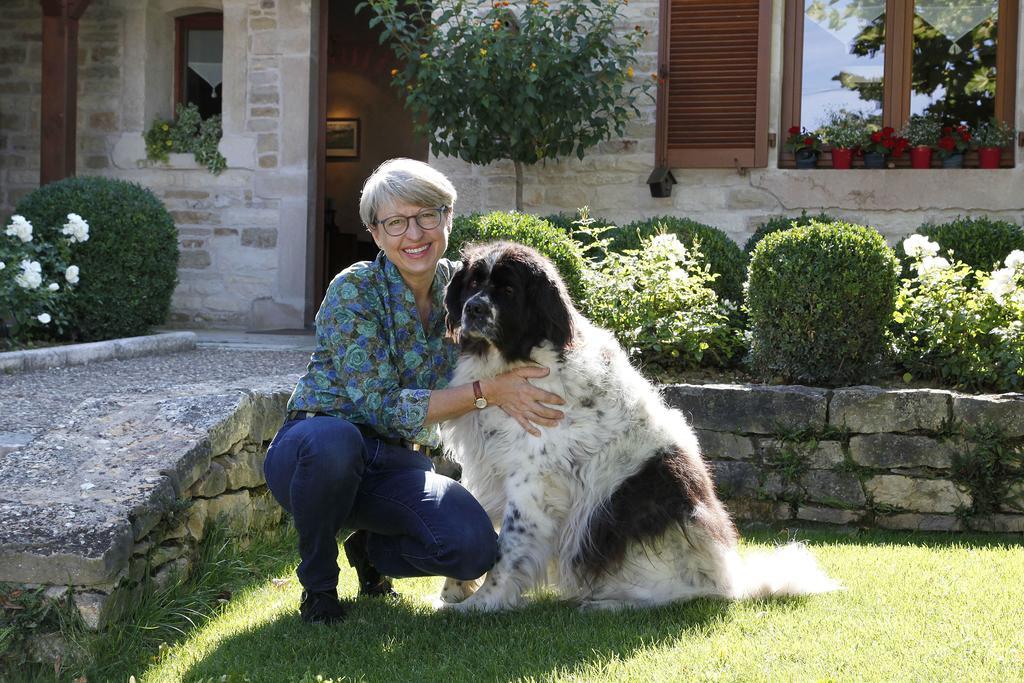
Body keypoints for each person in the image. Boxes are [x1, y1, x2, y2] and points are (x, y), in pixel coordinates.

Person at [263, 158, 566, 624]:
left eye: (428, 215)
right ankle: (319, 588)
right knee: (337, 441)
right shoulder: (355, 289)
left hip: (396, 464)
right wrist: (490, 390)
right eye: (396, 222)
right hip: (311, 451)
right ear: (376, 232)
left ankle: (372, 550)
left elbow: (525, 338)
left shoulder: (466, 287)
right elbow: (380, 407)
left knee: (471, 548)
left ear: (448, 217)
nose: (415, 233)